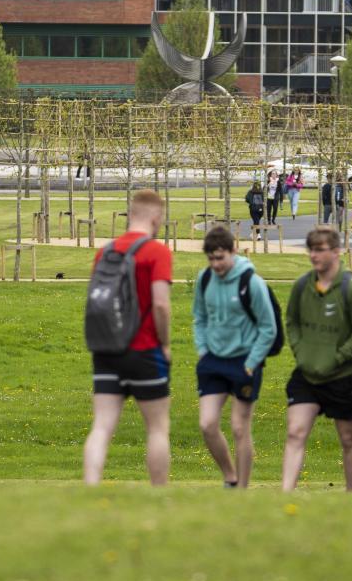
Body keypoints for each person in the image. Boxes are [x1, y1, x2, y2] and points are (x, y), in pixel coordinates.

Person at [84, 190, 174, 486]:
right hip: (145, 349)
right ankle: (159, 494)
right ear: (156, 217)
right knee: (157, 428)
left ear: (130, 214)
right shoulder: (157, 252)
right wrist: (165, 343)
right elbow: (161, 303)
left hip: (107, 348)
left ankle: (90, 487)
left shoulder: (105, 251)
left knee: (101, 426)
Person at [282, 224, 352, 491]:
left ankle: (351, 493)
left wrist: (336, 358)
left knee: (348, 438)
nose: (313, 255)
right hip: (307, 375)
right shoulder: (301, 286)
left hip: (342, 377)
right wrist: (301, 351)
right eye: (311, 250)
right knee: (295, 432)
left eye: (320, 250)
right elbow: (292, 322)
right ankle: (285, 494)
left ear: (336, 251)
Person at [193, 225, 278, 488]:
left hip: (245, 362)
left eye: (220, 257)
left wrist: (252, 362)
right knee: (207, 425)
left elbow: (268, 328)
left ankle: (243, 489)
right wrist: (203, 350)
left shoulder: (250, 281)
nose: (216, 264)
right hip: (213, 360)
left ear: (233, 251)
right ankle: (230, 477)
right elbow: (200, 317)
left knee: (240, 428)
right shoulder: (204, 278)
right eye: (211, 258)